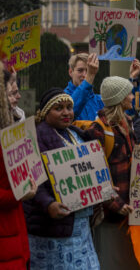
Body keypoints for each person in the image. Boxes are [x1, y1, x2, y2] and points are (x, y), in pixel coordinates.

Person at [23, 88, 99, 269]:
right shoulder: (35, 136)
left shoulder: (76, 132)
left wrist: (103, 190)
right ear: (45, 113)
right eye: (59, 108)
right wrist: (49, 204)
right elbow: (33, 179)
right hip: (52, 227)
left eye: (69, 107)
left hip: (79, 226)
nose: (66, 113)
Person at [86, 76, 140, 269]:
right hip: (110, 216)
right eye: (129, 93)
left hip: (131, 211)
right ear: (120, 99)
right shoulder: (97, 130)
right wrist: (115, 204)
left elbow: (130, 156)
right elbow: (94, 174)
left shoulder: (127, 122)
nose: (132, 96)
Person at [0, 63, 37, 270]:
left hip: (15, 234)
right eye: (12, 91)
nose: (18, 97)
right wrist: (18, 194)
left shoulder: (11, 128)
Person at [64, 53, 140, 120]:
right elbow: (71, 111)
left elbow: (132, 109)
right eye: (80, 70)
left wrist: (133, 79)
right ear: (71, 72)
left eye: (88, 70)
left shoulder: (100, 100)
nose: (85, 75)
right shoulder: (62, 98)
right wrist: (90, 75)